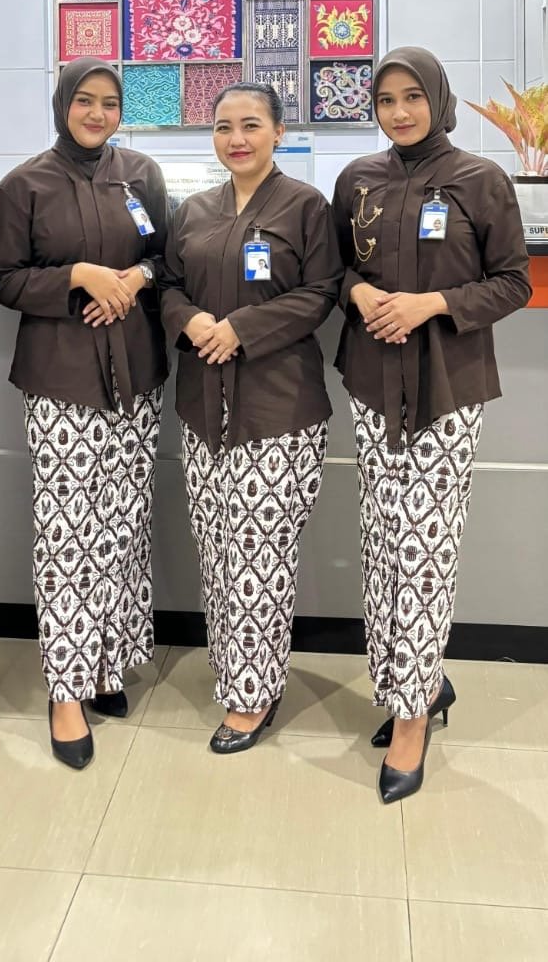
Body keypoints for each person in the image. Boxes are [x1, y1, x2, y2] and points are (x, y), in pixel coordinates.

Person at [331, 47, 531, 804]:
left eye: (412, 96)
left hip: (447, 388)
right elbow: (336, 269)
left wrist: (434, 304)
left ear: (438, 99)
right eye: (386, 100)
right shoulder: (359, 179)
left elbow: (512, 282)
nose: (400, 111)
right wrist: (358, 295)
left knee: (424, 551)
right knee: (384, 544)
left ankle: (412, 714)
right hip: (372, 385)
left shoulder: (480, 179)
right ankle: (413, 682)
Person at [0, 58, 169, 771]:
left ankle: (106, 662)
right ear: (63, 103)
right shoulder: (25, 184)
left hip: (136, 373)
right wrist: (77, 277)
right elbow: (4, 279)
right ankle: (65, 690)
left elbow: (166, 257)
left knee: (123, 524)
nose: (97, 113)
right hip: (62, 376)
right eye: (85, 100)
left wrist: (135, 277)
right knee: (67, 531)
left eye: (110, 102)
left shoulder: (141, 174)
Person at [160, 82, 342, 755]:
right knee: (217, 549)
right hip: (204, 405)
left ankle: (253, 694)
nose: (236, 139)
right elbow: (169, 285)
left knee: (260, 553)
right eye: (223, 126)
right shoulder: (194, 209)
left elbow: (322, 291)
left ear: (278, 131)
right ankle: (234, 670)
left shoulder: (306, 206)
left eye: (251, 125)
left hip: (278, 406)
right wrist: (191, 321)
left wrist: (242, 328)